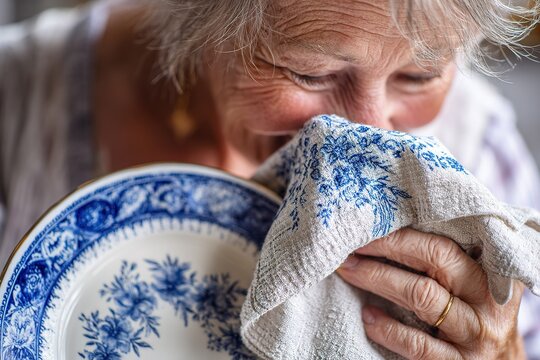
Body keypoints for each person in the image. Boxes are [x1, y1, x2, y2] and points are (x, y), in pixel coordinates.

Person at [1, 0, 539, 357]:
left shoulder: (479, 165)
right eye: (311, 72)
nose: (366, 132)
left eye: (420, 75)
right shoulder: (17, 104)